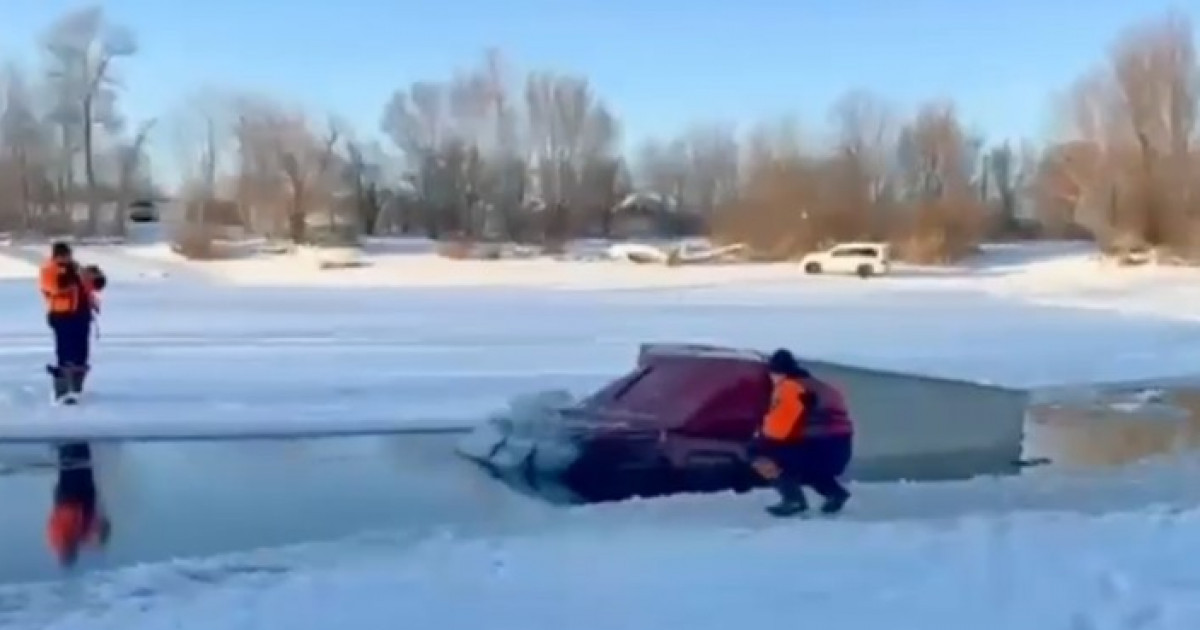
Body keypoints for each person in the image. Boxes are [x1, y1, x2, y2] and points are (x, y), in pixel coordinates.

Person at [749, 348, 854, 517]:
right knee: (809, 465)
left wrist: (759, 435)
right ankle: (834, 493)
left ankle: (793, 500)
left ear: (776, 372)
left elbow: (778, 430)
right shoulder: (820, 386)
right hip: (839, 450)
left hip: (817, 449)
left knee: (758, 452)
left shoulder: (789, 387)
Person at [38, 242, 104, 402]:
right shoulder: (49, 270)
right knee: (66, 353)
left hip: (82, 315)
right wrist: (72, 276)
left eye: (67, 254)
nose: (66, 258)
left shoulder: (77, 269)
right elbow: (55, 287)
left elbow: (95, 285)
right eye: (63, 255)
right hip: (62, 315)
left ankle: (76, 388)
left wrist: (95, 277)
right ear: (56, 256)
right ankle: (62, 391)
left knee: (81, 353)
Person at [46, 442, 111, 567]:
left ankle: (66, 444)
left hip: (69, 497)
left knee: (70, 466)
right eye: (72, 554)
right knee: (82, 464)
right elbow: (99, 528)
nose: (72, 552)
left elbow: (62, 515)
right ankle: (78, 441)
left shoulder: (57, 538)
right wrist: (103, 532)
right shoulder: (81, 539)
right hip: (82, 497)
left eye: (68, 554)